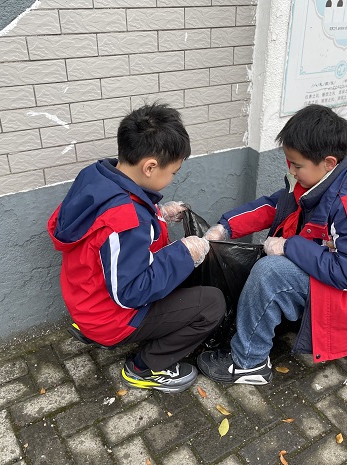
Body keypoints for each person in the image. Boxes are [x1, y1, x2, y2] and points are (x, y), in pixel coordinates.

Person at [197, 104, 347, 385]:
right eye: (289, 162)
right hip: (338, 285)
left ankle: (249, 363)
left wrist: (289, 246)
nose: (291, 171)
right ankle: (276, 318)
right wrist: (225, 227)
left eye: (296, 165)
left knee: (270, 272)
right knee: (269, 263)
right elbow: (276, 206)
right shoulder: (323, 178)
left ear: (328, 162)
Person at [48, 103, 225, 393]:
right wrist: (184, 253)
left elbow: (109, 239)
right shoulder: (126, 220)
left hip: (85, 297)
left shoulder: (97, 176)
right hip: (109, 315)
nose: (173, 178)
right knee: (212, 304)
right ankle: (145, 367)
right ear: (150, 167)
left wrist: (158, 215)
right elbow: (132, 291)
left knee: (181, 276)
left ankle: (95, 330)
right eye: (174, 172)